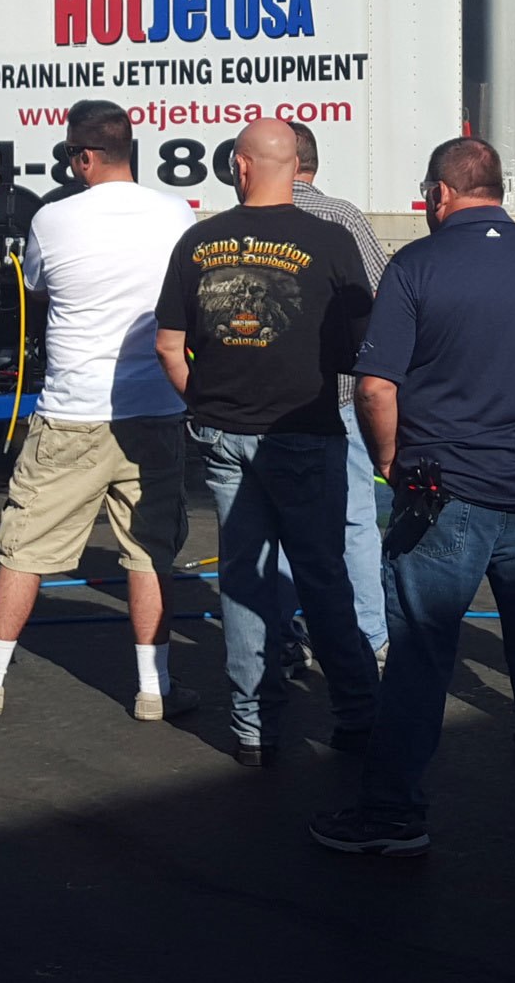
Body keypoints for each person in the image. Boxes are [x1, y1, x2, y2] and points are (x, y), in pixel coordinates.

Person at [310, 139, 515, 863]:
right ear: (498, 190)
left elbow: (375, 386)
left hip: (441, 496)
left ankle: (394, 814)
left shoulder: (417, 267)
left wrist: (389, 460)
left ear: (440, 194)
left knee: (420, 658)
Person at [0, 106, 199, 723]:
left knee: (25, 545)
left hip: (74, 413)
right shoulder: (176, 213)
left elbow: (37, 287)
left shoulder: (53, 218)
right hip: (155, 410)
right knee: (150, 552)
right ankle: (155, 689)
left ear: (83, 158)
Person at [155, 120, 380, 764]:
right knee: (323, 574)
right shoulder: (332, 239)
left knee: (244, 577)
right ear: (297, 166)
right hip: (306, 430)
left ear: (241, 166)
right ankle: (357, 714)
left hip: (225, 434)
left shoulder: (199, 240)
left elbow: (169, 344)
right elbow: (368, 346)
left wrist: (203, 403)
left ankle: (254, 729)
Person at [288, 119, 391, 656]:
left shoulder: (247, 221)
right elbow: (378, 297)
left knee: (278, 522)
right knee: (354, 519)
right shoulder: (341, 217)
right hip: (341, 395)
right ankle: (370, 637)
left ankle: (284, 636)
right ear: (314, 163)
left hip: (270, 405)